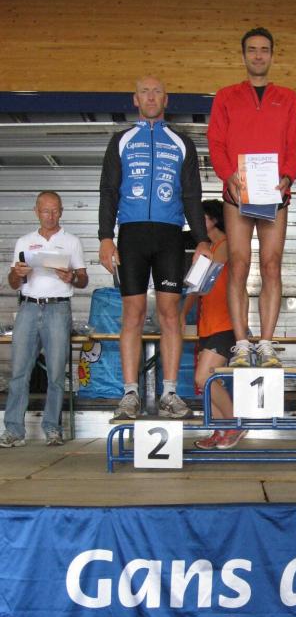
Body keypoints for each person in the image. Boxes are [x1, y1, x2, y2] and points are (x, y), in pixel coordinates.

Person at [98, 75, 211, 420]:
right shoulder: (121, 140)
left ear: (166, 99)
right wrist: (105, 236)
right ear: (135, 99)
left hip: (169, 236)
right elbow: (109, 191)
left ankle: (170, 394)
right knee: (131, 313)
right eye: (144, 92)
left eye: (157, 92)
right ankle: (130, 394)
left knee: (170, 314)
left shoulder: (181, 142)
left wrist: (202, 238)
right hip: (131, 236)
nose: (150, 97)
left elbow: (191, 194)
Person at [207, 27, 296, 369]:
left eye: (264, 50)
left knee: (271, 264)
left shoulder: (288, 97)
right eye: (252, 50)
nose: (258, 55)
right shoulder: (226, 96)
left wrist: (287, 175)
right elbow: (216, 141)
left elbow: (295, 142)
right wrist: (227, 175)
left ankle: (265, 344)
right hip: (238, 193)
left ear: (272, 55)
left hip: (274, 192)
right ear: (244, 55)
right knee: (238, 264)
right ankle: (241, 345)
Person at [0, 191, 88, 447]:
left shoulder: (71, 241)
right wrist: (18, 274)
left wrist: (72, 277)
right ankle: (14, 430)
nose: (50, 216)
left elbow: (84, 280)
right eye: (45, 211)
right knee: (19, 372)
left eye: (55, 210)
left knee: (57, 373)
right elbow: (13, 283)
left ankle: (52, 428)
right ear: (36, 212)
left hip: (58, 309)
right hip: (28, 307)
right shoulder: (24, 242)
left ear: (62, 211)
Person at [180, 200, 247, 450]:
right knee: (207, 381)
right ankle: (220, 429)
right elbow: (194, 288)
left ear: (214, 219)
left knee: (204, 377)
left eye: (202, 218)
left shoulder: (226, 244)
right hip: (208, 324)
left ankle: (235, 423)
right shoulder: (207, 249)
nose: (196, 223)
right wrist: (182, 314)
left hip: (226, 323)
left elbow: (204, 277)